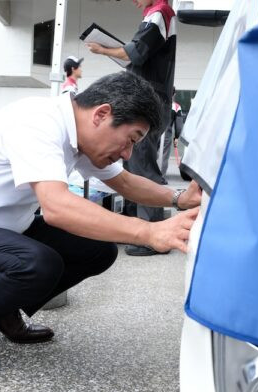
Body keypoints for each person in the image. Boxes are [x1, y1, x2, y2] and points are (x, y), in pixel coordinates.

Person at [0, 72, 201, 383]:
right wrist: (148, 231)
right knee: (37, 263)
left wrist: (180, 198)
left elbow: (126, 182)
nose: (128, 154)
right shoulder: (37, 121)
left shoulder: (80, 137)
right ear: (101, 114)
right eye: (131, 139)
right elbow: (57, 208)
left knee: (97, 250)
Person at [87, 0, 177, 257]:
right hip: (146, 97)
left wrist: (104, 49)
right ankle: (137, 226)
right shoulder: (156, 13)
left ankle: (154, 235)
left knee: (142, 164)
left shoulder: (160, 12)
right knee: (133, 162)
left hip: (149, 99)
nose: (135, 3)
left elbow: (134, 53)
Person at [159, 88, 183, 177]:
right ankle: (161, 176)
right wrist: (176, 137)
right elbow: (179, 125)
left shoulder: (156, 103)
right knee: (164, 155)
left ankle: (149, 175)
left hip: (153, 133)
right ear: (174, 94)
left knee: (152, 154)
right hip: (166, 134)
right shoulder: (176, 107)